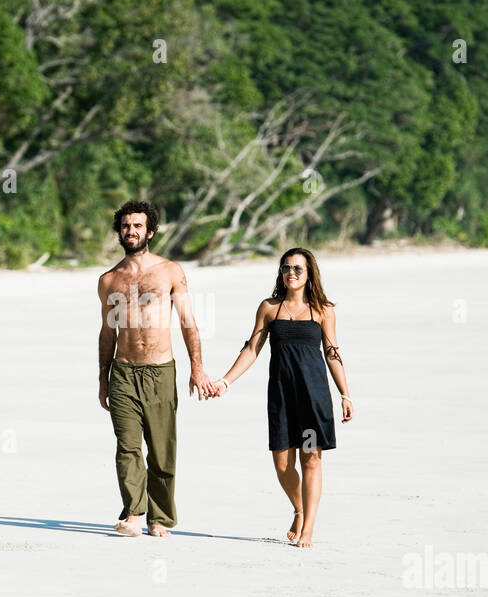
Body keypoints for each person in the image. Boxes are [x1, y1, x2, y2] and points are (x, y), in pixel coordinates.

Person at [210, 247, 353, 548]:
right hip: (282, 397)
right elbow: (252, 349)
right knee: (283, 464)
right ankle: (299, 509)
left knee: (311, 459)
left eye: (298, 269)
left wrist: (345, 393)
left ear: (309, 273)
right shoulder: (269, 308)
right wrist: (226, 380)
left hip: (313, 398)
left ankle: (309, 527)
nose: (291, 273)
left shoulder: (323, 311)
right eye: (286, 268)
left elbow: (332, 353)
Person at [98, 199, 214, 537]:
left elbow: (188, 322)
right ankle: (133, 512)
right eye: (125, 226)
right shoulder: (108, 280)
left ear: (150, 231)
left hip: (160, 370)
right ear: (119, 231)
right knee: (127, 446)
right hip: (123, 371)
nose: (130, 231)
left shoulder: (170, 271)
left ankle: (159, 516)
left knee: (162, 450)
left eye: (137, 226)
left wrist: (198, 369)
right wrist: (103, 380)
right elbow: (107, 332)